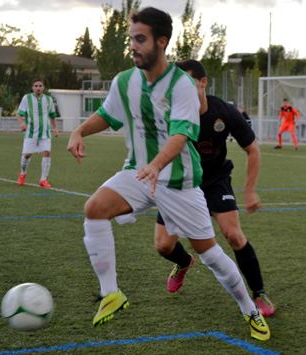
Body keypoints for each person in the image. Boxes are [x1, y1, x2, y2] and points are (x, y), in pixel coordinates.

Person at [67, 7, 269, 341]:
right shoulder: (124, 81)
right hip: (139, 173)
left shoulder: (181, 86)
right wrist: (79, 132)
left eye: (140, 39)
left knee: (211, 254)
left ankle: (249, 309)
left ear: (161, 42)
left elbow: (180, 135)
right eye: (131, 38)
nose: (133, 45)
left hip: (179, 183)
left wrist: (158, 165)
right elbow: (107, 114)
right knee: (94, 210)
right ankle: (112, 294)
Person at [152, 59, 275, 319]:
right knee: (163, 246)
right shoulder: (170, 114)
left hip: (215, 180)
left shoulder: (226, 112)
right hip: (181, 182)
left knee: (234, 235)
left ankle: (259, 292)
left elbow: (252, 149)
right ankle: (184, 263)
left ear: (203, 83)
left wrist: (250, 190)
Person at [16, 79, 59, 188]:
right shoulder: (27, 98)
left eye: (40, 85)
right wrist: (22, 123)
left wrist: (55, 128)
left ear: (43, 87)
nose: (38, 87)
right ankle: (22, 173)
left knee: (47, 152)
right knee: (27, 155)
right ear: (32, 87)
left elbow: (53, 116)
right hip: (31, 133)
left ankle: (43, 179)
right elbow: (19, 114)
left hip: (45, 133)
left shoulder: (49, 99)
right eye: (36, 85)